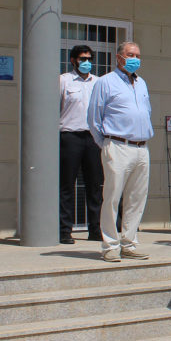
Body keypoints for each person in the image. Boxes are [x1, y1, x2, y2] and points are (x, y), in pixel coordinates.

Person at [87, 41, 153, 263]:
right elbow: (94, 118)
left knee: (137, 199)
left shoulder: (141, 83)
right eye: (130, 54)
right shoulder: (105, 82)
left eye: (137, 54)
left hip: (141, 147)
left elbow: (146, 111)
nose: (135, 58)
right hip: (117, 145)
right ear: (119, 57)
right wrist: (106, 143)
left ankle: (129, 242)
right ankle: (110, 245)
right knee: (112, 197)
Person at [59, 45, 103, 244]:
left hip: (93, 138)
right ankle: (64, 229)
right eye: (82, 58)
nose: (86, 62)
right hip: (70, 136)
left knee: (95, 185)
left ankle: (95, 229)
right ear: (73, 60)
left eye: (89, 58)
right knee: (67, 184)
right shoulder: (63, 80)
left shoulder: (99, 82)